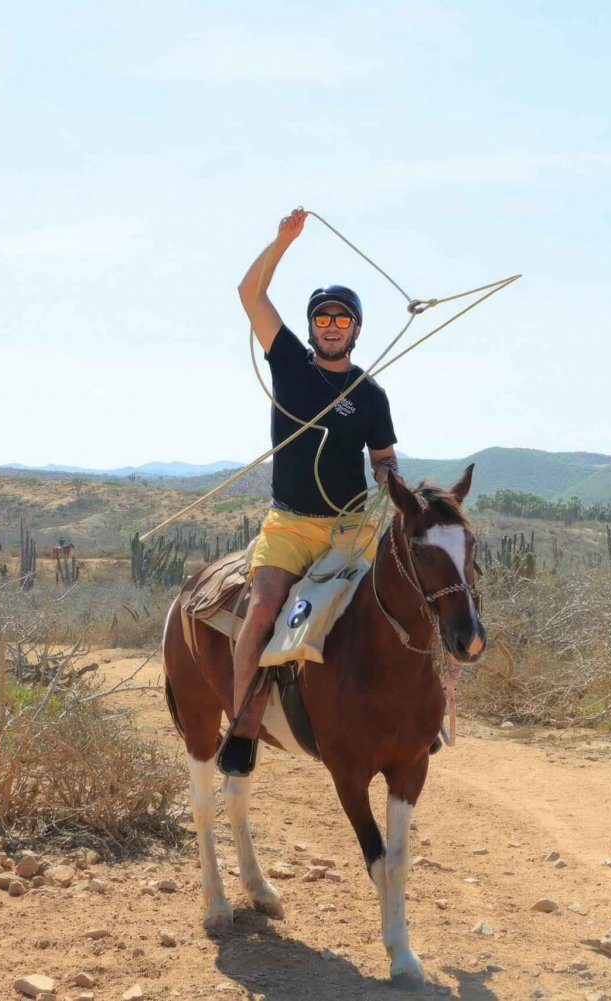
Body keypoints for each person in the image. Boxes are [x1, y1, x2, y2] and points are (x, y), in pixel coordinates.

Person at [218, 206, 400, 777]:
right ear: (313, 325)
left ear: (356, 330)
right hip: (291, 523)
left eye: (341, 320)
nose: (330, 326)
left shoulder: (371, 395)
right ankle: (244, 728)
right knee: (266, 607)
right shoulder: (290, 361)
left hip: (349, 526)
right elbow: (249, 293)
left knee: (397, 606)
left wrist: (394, 489)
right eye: (323, 318)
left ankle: (415, 712)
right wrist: (282, 242)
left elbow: (384, 462)